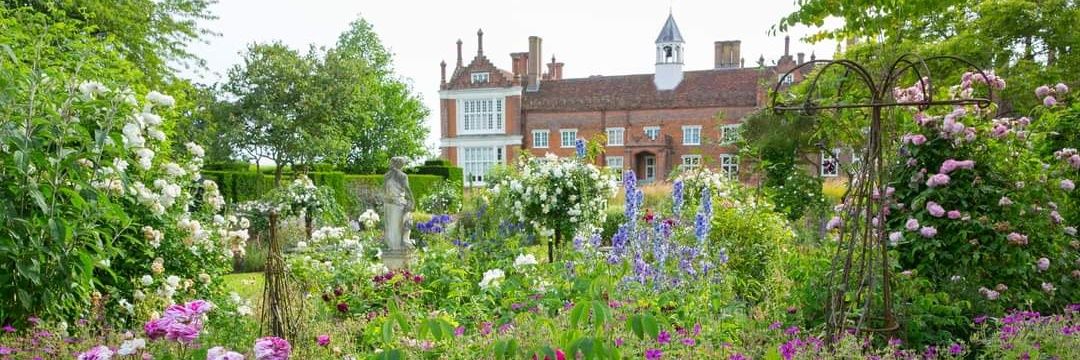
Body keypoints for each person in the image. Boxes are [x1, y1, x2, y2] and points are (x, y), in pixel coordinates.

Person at [383, 157, 414, 251]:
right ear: (400, 164)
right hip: (398, 204)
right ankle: (397, 248)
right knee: (398, 225)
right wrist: (412, 200)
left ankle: (391, 247)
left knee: (390, 226)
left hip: (388, 203)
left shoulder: (386, 175)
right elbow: (407, 189)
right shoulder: (402, 176)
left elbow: (384, 190)